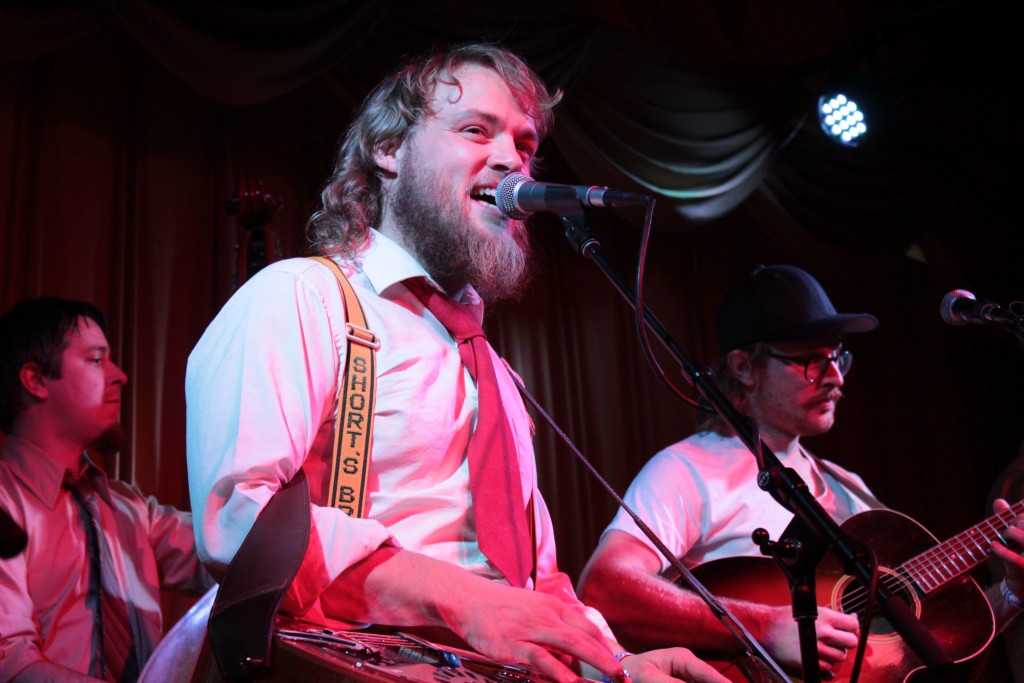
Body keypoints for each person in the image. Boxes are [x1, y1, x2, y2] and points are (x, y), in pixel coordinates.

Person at [185, 43, 725, 683]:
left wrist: (616, 663)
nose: (510, 160)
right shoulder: (307, 297)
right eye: (476, 130)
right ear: (389, 150)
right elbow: (240, 522)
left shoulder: (495, 371)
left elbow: (532, 576)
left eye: (524, 145)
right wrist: (463, 599)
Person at [577, 264, 1024, 679]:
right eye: (812, 360)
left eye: (838, 358)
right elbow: (605, 587)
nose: (836, 377)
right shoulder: (689, 468)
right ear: (743, 367)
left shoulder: (852, 491)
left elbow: (934, 651)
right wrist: (766, 627)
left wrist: (1012, 593)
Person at [0, 297, 211, 683]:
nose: (120, 375)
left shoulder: (127, 507)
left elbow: (222, 552)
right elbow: (10, 663)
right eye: (97, 360)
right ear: (35, 380)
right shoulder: (5, 506)